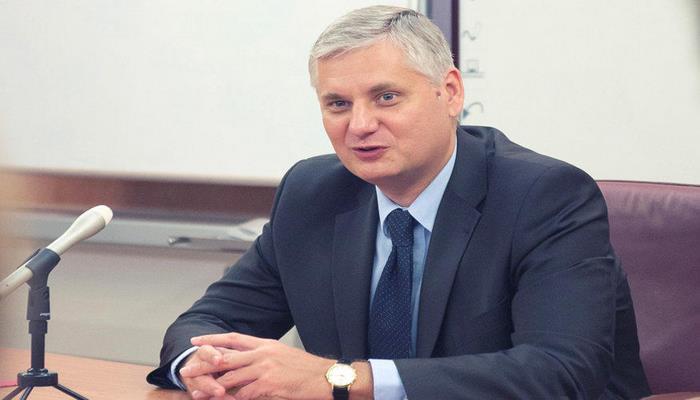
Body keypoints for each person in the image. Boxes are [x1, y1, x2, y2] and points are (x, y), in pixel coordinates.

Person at [148, 6, 650, 399]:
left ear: (449, 93)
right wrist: (203, 364)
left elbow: (560, 373)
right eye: (338, 104)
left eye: (386, 97)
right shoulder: (311, 193)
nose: (360, 125)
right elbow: (203, 325)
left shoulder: (544, 196)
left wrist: (340, 379)